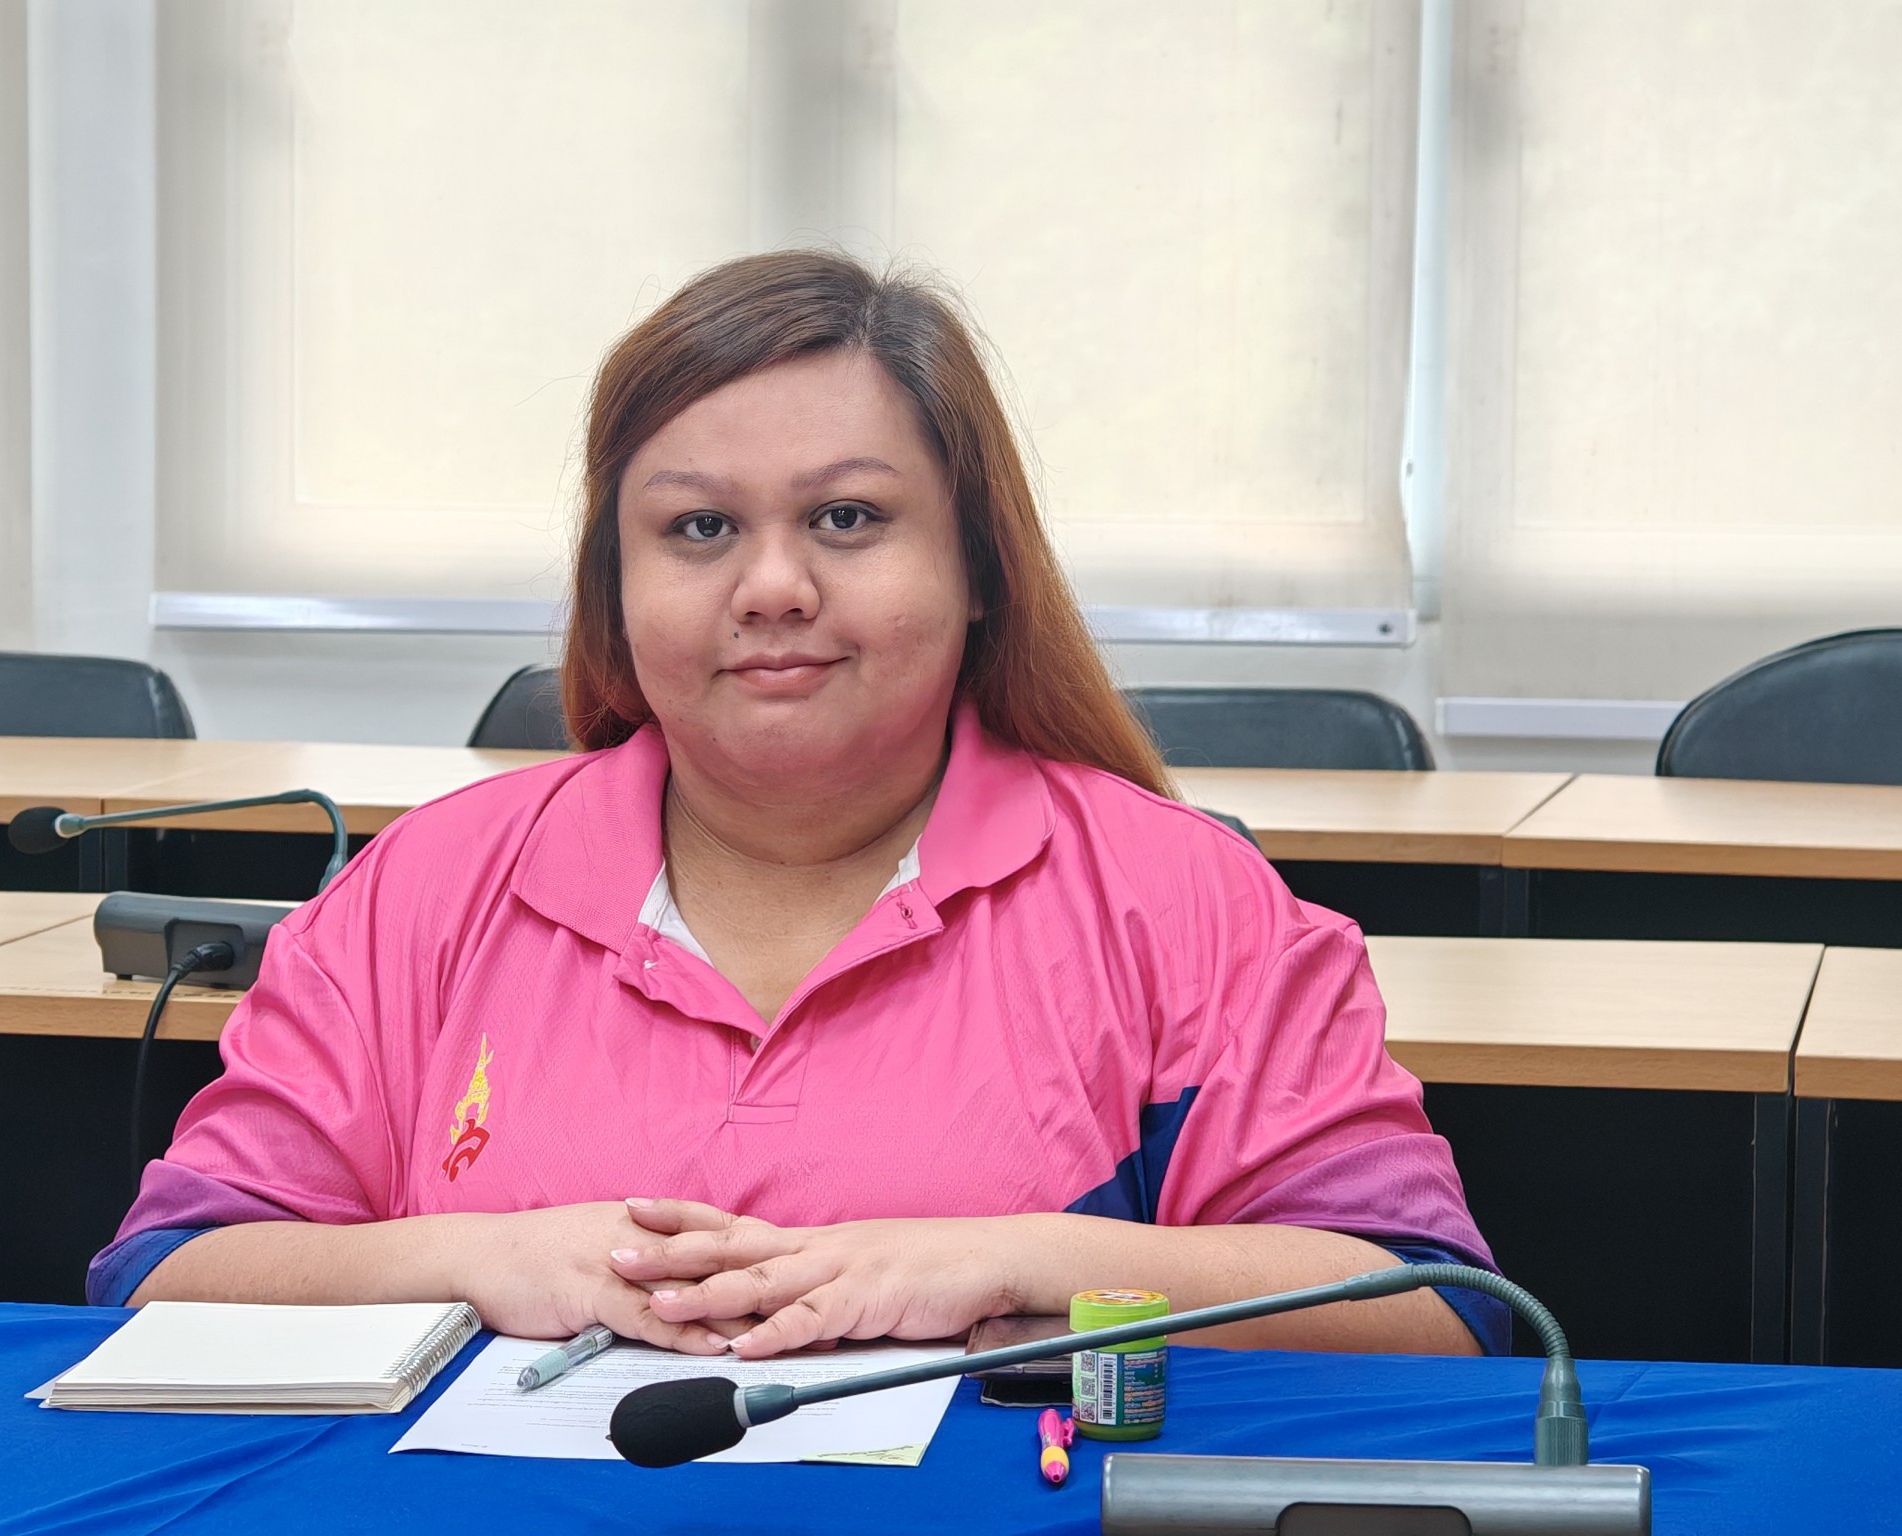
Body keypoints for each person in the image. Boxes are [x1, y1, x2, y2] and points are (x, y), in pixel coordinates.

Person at [92, 250, 1504, 1360]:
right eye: (699, 528)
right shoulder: (430, 886)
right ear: (614, 590)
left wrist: (1017, 1259)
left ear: (979, 566)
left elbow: (1436, 1310)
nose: (773, 587)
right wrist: (479, 1259)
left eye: (847, 519)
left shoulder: (1176, 899)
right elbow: (167, 1271)